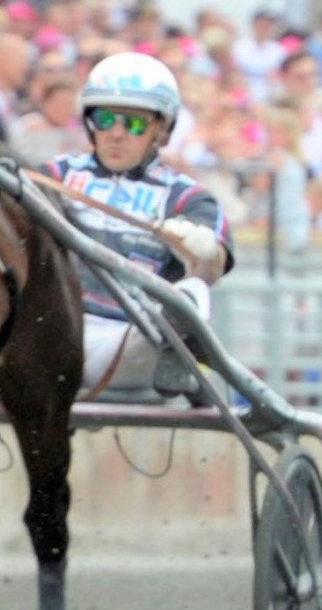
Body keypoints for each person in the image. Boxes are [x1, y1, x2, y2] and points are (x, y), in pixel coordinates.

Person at [48, 54, 232, 397]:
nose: (116, 134)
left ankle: (177, 350)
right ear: (89, 123)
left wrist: (202, 248)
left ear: (161, 129)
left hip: (125, 342)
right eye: (104, 120)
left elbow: (214, 266)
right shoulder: (53, 176)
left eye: (133, 124)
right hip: (48, 332)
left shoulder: (186, 197)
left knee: (193, 291)